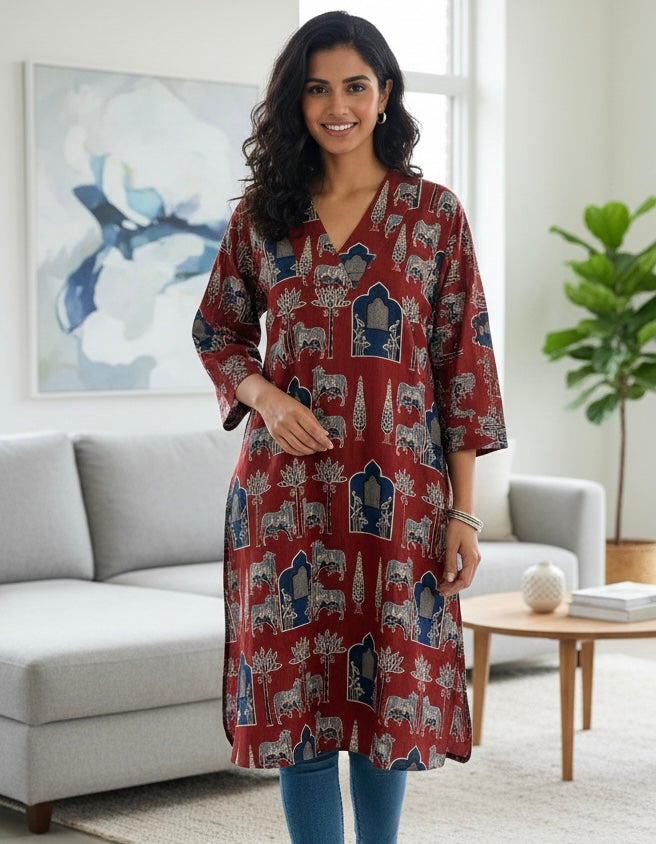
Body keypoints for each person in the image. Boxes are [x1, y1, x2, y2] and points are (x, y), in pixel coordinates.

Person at [193, 11, 507, 844]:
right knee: (298, 718)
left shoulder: (433, 216)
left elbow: (464, 369)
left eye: (355, 86)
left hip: (400, 501)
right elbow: (216, 332)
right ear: (295, 102)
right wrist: (266, 398)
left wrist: (462, 513)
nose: (338, 105)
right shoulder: (262, 217)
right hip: (283, 504)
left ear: (386, 94)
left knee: (384, 715)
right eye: (317, 88)